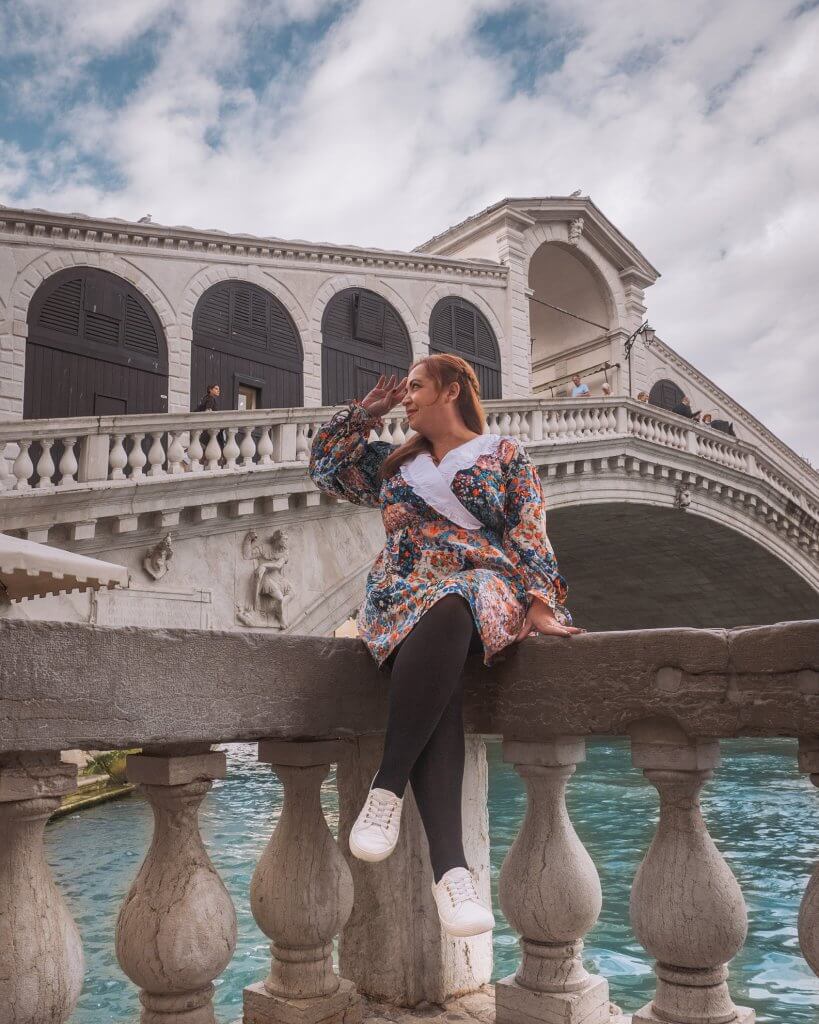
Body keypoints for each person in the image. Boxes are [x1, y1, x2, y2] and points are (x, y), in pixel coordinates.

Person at [309, 355, 581, 939]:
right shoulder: (391, 463)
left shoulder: (505, 455)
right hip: (403, 588)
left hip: (483, 584)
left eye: (415, 387)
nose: (405, 398)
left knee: (458, 598)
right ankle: (452, 877)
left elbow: (528, 530)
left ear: (451, 389)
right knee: (443, 686)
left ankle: (387, 788)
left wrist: (541, 603)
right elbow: (326, 468)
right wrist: (363, 416)